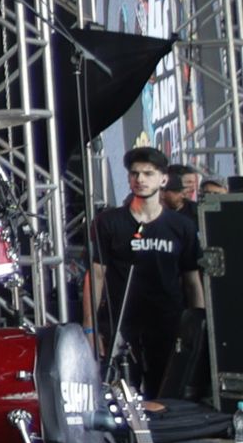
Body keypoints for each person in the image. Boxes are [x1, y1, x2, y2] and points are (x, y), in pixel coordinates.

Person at [87, 146, 206, 397]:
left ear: (163, 179)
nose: (140, 179)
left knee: (165, 391)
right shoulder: (108, 222)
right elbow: (96, 275)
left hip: (168, 319)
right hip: (121, 320)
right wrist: (90, 327)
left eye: (148, 173)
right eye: (134, 173)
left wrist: (198, 325)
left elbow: (192, 280)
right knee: (120, 392)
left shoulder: (181, 226)